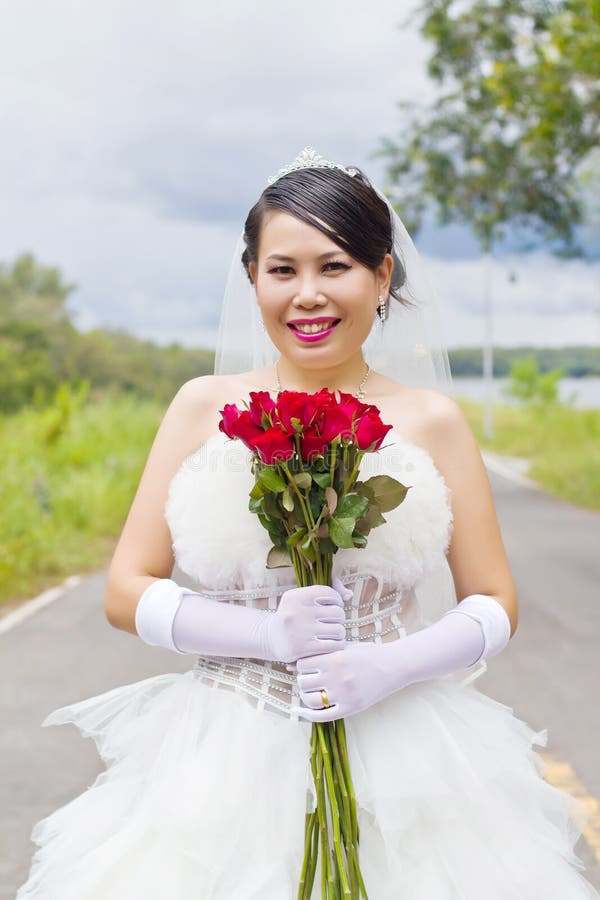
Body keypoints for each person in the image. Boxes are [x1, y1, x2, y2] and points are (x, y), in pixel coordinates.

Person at [16, 148, 598, 899]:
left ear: (382, 276)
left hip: (402, 742)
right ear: (253, 278)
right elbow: (127, 590)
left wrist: (393, 664)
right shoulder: (202, 406)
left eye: (335, 267)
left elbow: (494, 602)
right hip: (223, 748)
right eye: (282, 270)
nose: (308, 295)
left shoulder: (434, 420)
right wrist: (263, 637)